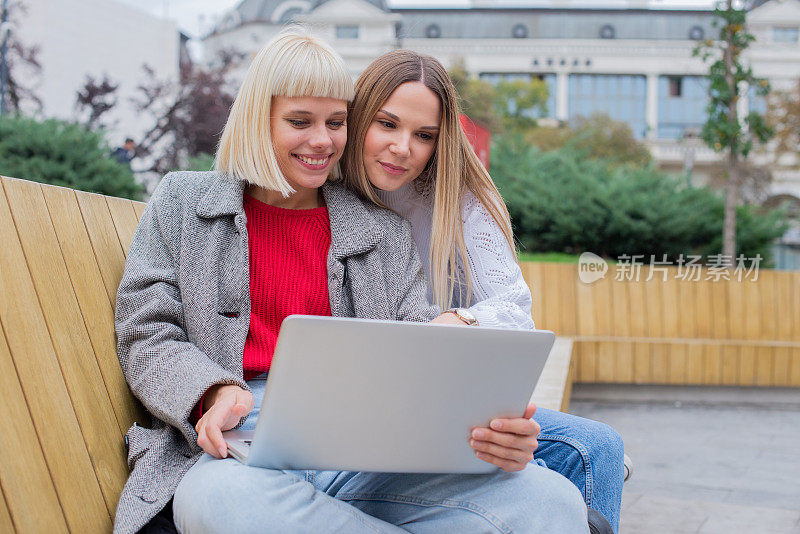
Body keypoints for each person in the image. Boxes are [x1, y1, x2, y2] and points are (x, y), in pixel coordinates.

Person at [114, 29, 589, 534]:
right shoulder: (182, 204)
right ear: (258, 118)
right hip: (234, 450)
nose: (322, 141)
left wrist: (488, 428)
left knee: (551, 501)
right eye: (300, 121)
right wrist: (210, 391)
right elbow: (146, 331)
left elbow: (419, 342)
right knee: (220, 501)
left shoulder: (381, 229)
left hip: (364, 454)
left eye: (336, 122)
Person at [342, 49, 625, 533]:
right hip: (367, 409)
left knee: (597, 446)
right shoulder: (325, 186)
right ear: (359, 116)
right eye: (386, 125)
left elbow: (517, 311)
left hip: (446, 395)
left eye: (423, 135)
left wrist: (452, 324)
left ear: (441, 140)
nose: (402, 147)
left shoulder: (461, 196)